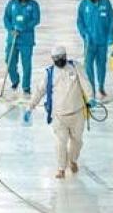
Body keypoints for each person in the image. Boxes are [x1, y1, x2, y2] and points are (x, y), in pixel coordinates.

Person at [24, 46, 96, 179]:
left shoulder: (75, 67)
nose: (59, 60)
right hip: (58, 116)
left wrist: (90, 97)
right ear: (53, 59)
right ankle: (61, 168)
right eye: (56, 58)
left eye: (61, 57)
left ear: (65, 56)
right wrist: (30, 107)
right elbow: (40, 91)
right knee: (60, 143)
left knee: (77, 141)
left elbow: (85, 82)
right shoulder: (49, 73)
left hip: (77, 113)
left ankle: (73, 160)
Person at [76, 0, 113, 98]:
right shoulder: (83, 4)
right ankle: (91, 89)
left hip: (102, 41)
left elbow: (111, 20)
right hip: (89, 42)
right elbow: (80, 22)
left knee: (101, 65)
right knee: (88, 66)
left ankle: (101, 87)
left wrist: (110, 36)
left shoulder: (105, 2)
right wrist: (84, 34)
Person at [3, 0, 41, 96]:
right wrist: (11, 29)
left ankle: (26, 86)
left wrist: (24, 27)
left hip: (26, 40)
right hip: (12, 38)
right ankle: (15, 80)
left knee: (26, 64)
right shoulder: (11, 4)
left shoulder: (33, 5)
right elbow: (6, 18)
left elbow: (36, 19)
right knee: (9, 61)